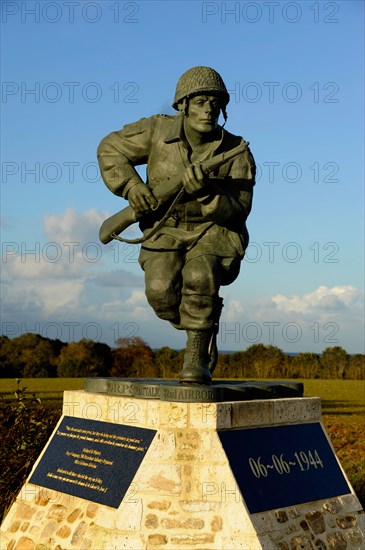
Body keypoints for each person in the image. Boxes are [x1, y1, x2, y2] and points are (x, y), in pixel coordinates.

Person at [97, 66, 256, 384]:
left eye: (215, 103)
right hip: (164, 226)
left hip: (215, 231)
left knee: (200, 276)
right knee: (161, 292)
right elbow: (110, 149)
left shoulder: (237, 151)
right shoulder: (156, 130)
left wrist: (208, 194)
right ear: (182, 105)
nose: (208, 109)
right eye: (200, 101)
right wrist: (132, 187)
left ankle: (196, 357)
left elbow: (239, 210)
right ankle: (203, 325)